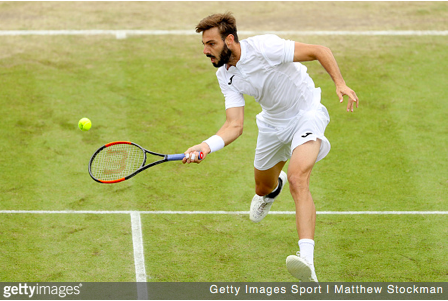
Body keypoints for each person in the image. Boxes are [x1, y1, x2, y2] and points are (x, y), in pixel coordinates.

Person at [183, 12, 358, 282]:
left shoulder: (264, 47)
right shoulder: (226, 76)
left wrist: (340, 83)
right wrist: (206, 146)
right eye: (204, 45)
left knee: (299, 178)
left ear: (230, 40)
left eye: (211, 44)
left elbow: (318, 51)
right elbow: (234, 125)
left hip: (306, 114)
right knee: (262, 187)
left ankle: (307, 261)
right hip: (272, 125)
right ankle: (274, 188)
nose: (206, 51)